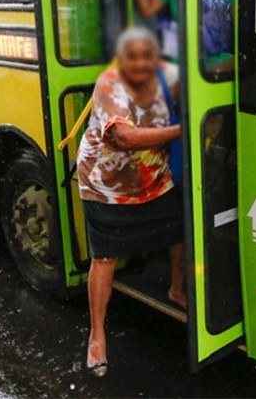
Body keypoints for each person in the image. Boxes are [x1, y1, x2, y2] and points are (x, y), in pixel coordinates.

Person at [76, 27, 184, 377]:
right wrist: (185, 130)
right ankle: (97, 336)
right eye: (131, 57)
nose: (140, 64)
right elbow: (124, 138)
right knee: (105, 255)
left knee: (180, 229)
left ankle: (177, 289)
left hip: (154, 180)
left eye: (147, 56)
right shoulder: (110, 84)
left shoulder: (165, 75)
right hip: (106, 185)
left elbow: (203, 79)